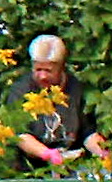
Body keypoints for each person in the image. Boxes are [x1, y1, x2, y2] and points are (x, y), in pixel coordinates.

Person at [15, 34, 99, 170]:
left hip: (72, 164)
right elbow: (20, 135)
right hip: (34, 168)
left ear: (61, 67)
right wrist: (48, 154)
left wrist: (104, 153)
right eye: (38, 70)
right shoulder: (21, 90)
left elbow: (88, 133)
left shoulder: (75, 88)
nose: (42, 76)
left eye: (48, 71)